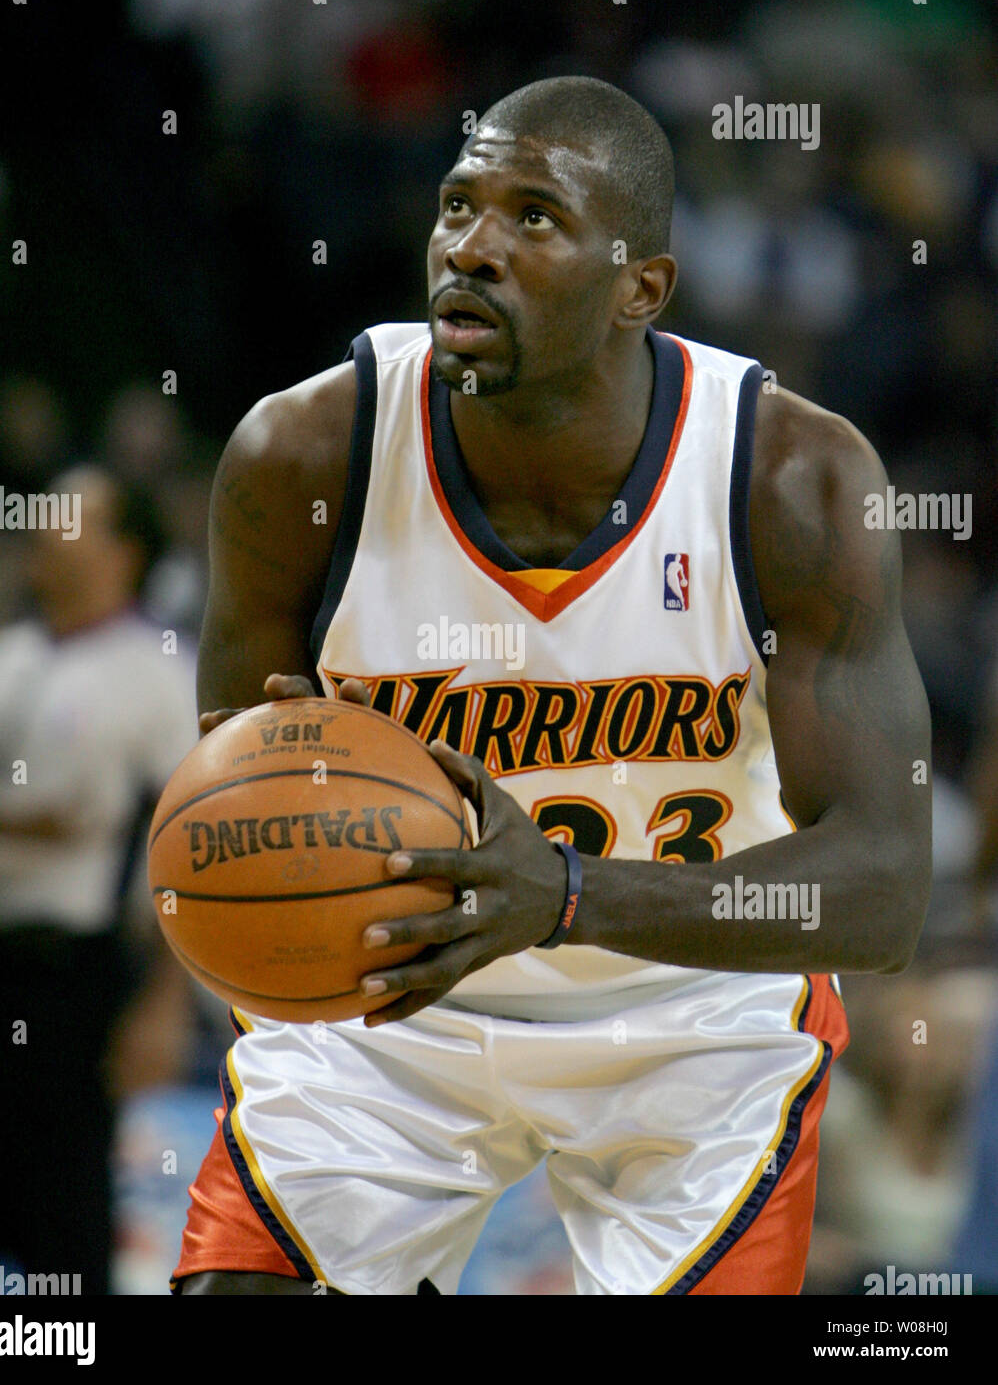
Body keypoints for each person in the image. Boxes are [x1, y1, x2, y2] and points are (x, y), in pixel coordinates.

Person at [172, 77, 932, 1296]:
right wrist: (269, 810)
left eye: (535, 218)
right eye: (458, 205)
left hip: (691, 1009)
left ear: (642, 287)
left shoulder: (789, 477)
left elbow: (884, 889)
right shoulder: (303, 455)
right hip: (392, 1009)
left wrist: (566, 897)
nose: (472, 246)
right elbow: (223, 814)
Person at [0, 466, 197, 1296]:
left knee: (62, 1219)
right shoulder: (0, 654)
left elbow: (186, 851)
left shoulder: (159, 672)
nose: (45, 525)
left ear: (123, 550)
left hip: (65, 976)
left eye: (71, 516)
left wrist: (163, 1003)